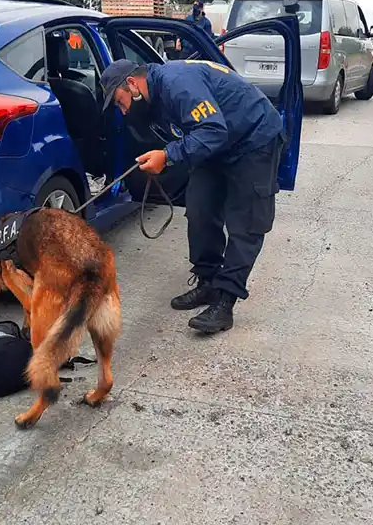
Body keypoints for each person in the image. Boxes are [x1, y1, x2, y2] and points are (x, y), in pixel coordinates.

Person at [100, 58, 287, 334]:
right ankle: (208, 282)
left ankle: (225, 301)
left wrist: (168, 156)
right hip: (218, 144)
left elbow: (212, 129)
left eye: (120, 101)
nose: (124, 110)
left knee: (246, 223)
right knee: (200, 209)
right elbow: (200, 133)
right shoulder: (154, 98)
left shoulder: (177, 84)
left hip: (253, 139)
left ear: (132, 84)